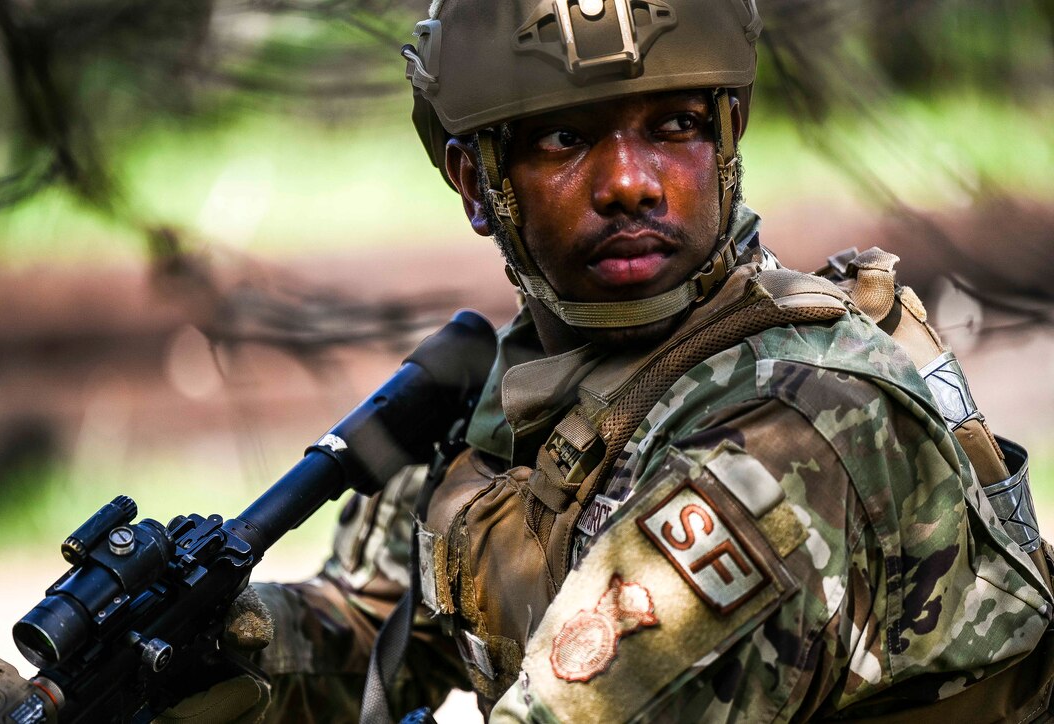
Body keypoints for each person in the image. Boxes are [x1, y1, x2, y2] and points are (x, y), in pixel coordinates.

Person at [172, 0, 1054, 721]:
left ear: (726, 143)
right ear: (478, 184)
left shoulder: (799, 423)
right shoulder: (531, 384)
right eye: (564, 139)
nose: (630, 179)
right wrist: (215, 655)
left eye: (674, 125)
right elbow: (390, 627)